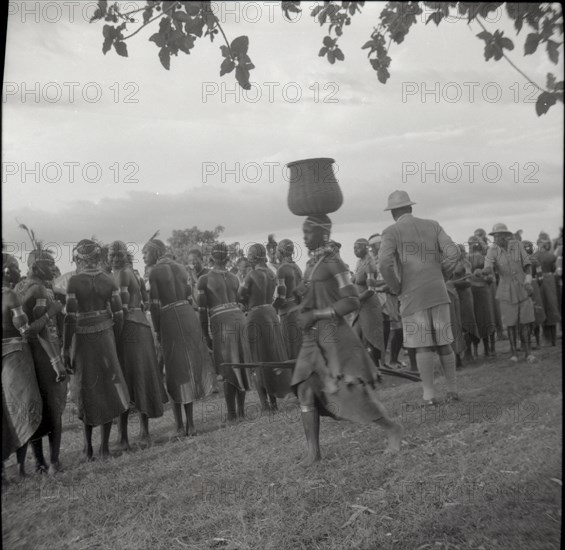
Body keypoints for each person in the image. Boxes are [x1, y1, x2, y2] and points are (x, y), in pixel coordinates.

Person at [292, 214, 403, 466]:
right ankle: (313, 452)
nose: (304, 237)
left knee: (351, 394)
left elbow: (351, 301)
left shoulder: (335, 264)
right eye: (303, 232)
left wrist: (316, 314)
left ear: (323, 234)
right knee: (305, 389)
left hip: (335, 337)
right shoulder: (311, 265)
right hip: (313, 338)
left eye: (308, 232)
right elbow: (313, 296)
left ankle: (392, 428)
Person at [378, 190, 460, 405]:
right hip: (438, 292)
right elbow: (454, 252)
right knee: (444, 342)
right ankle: (452, 390)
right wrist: (442, 274)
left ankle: (430, 395)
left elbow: (384, 263)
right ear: (411, 208)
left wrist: (396, 287)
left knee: (423, 345)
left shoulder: (391, 231)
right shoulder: (433, 225)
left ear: (393, 212)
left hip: (412, 295)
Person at [63, 239, 130, 460]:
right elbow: (119, 315)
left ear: (80, 259)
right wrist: (115, 340)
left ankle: (87, 448)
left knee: (86, 388)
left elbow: (70, 319)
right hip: (106, 336)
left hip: (82, 340)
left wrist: (65, 348)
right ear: (97, 257)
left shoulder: (74, 282)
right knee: (108, 387)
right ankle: (104, 448)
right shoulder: (108, 280)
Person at [143, 237, 215, 437]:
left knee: (175, 371)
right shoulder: (181, 267)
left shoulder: (156, 272)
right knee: (187, 368)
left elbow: (155, 304)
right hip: (186, 314)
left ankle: (179, 427)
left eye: (146, 252)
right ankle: (190, 424)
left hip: (169, 317)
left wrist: (157, 329)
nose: (143, 257)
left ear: (156, 252)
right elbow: (186, 293)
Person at [109, 241, 166, 449]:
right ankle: (137, 434)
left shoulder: (123, 274)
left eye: (119, 255)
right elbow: (144, 300)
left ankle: (129, 437)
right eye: (112, 254)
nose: (115, 258)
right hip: (139, 326)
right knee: (136, 378)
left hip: (130, 328)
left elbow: (123, 310)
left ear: (126, 256)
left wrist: (115, 336)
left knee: (129, 378)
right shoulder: (130, 273)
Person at [15, 247, 68, 473]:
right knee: (54, 406)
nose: (54, 268)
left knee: (36, 407)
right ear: (36, 266)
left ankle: (39, 463)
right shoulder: (37, 289)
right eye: (49, 264)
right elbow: (36, 329)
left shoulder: (19, 287)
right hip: (44, 353)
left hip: (27, 356)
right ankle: (54, 461)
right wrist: (52, 311)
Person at [197, 243, 251, 424]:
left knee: (228, 366)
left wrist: (206, 335)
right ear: (227, 258)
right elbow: (240, 301)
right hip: (239, 319)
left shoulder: (204, 280)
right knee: (240, 364)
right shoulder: (235, 278)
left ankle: (231, 415)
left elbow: (202, 311)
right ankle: (241, 412)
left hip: (222, 322)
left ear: (210, 259)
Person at [2, 253, 44, 479]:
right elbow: (25, 329)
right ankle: (20, 468)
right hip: (15, 355)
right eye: (13, 268)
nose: (19, 273)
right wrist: (48, 316)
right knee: (22, 408)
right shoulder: (9, 294)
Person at [238, 243, 292, 412]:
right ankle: (274, 401)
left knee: (257, 358)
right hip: (270, 314)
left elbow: (240, 295)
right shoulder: (271, 273)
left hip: (255, 316)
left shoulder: (251, 275)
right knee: (272, 356)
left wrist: (246, 301)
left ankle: (265, 405)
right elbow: (281, 295)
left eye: (249, 255)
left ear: (253, 257)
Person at [482, 223, 536, 364]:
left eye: (499, 235)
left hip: (523, 286)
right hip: (505, 290)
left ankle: (528, 353)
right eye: (495, 236)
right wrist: (485, 271)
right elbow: (488, 267)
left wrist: (528, 281)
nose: (497, 238)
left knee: (525, 322)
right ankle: (514, 354)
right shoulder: (492, 251)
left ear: (506, 236)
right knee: (511, 323)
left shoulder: (517, 245)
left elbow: (527, 265)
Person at [351, 238, 386, 376]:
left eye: (358, 248)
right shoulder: (359, 262)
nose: (355, 251)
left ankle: (375, 370)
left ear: (366, 248)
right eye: (354, 248)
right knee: (356, 337)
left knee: (370, 339)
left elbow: (371, 289)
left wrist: (356, 300)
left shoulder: (370, 264)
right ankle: (364, 371)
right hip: (359, 307)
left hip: (369, 306)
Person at [467, 236, 497, 359]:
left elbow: (491, 277)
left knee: (485, 319)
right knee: (483, 319)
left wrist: (483, 276)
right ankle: (485, 350)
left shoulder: (485, 259)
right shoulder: (468, 260)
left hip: (481, 291)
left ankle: (488, 349)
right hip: (476, 291)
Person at [275, 238, 303, 360]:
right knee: (298, 347)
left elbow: (281, 298)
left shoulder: (282, 269)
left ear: (280, 251)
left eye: (276, 250)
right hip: (297, 310)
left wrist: (272, 309)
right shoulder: (296, 267)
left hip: (287, 313)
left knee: (290, 350)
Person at [535, 233, 561, 346]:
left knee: (542, 307)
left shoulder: (534, 256)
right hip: (550, 281)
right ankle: (553, 339)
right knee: (552, 307)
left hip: (538, 282)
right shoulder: (551, 256)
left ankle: (546, 339)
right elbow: (556, 270)